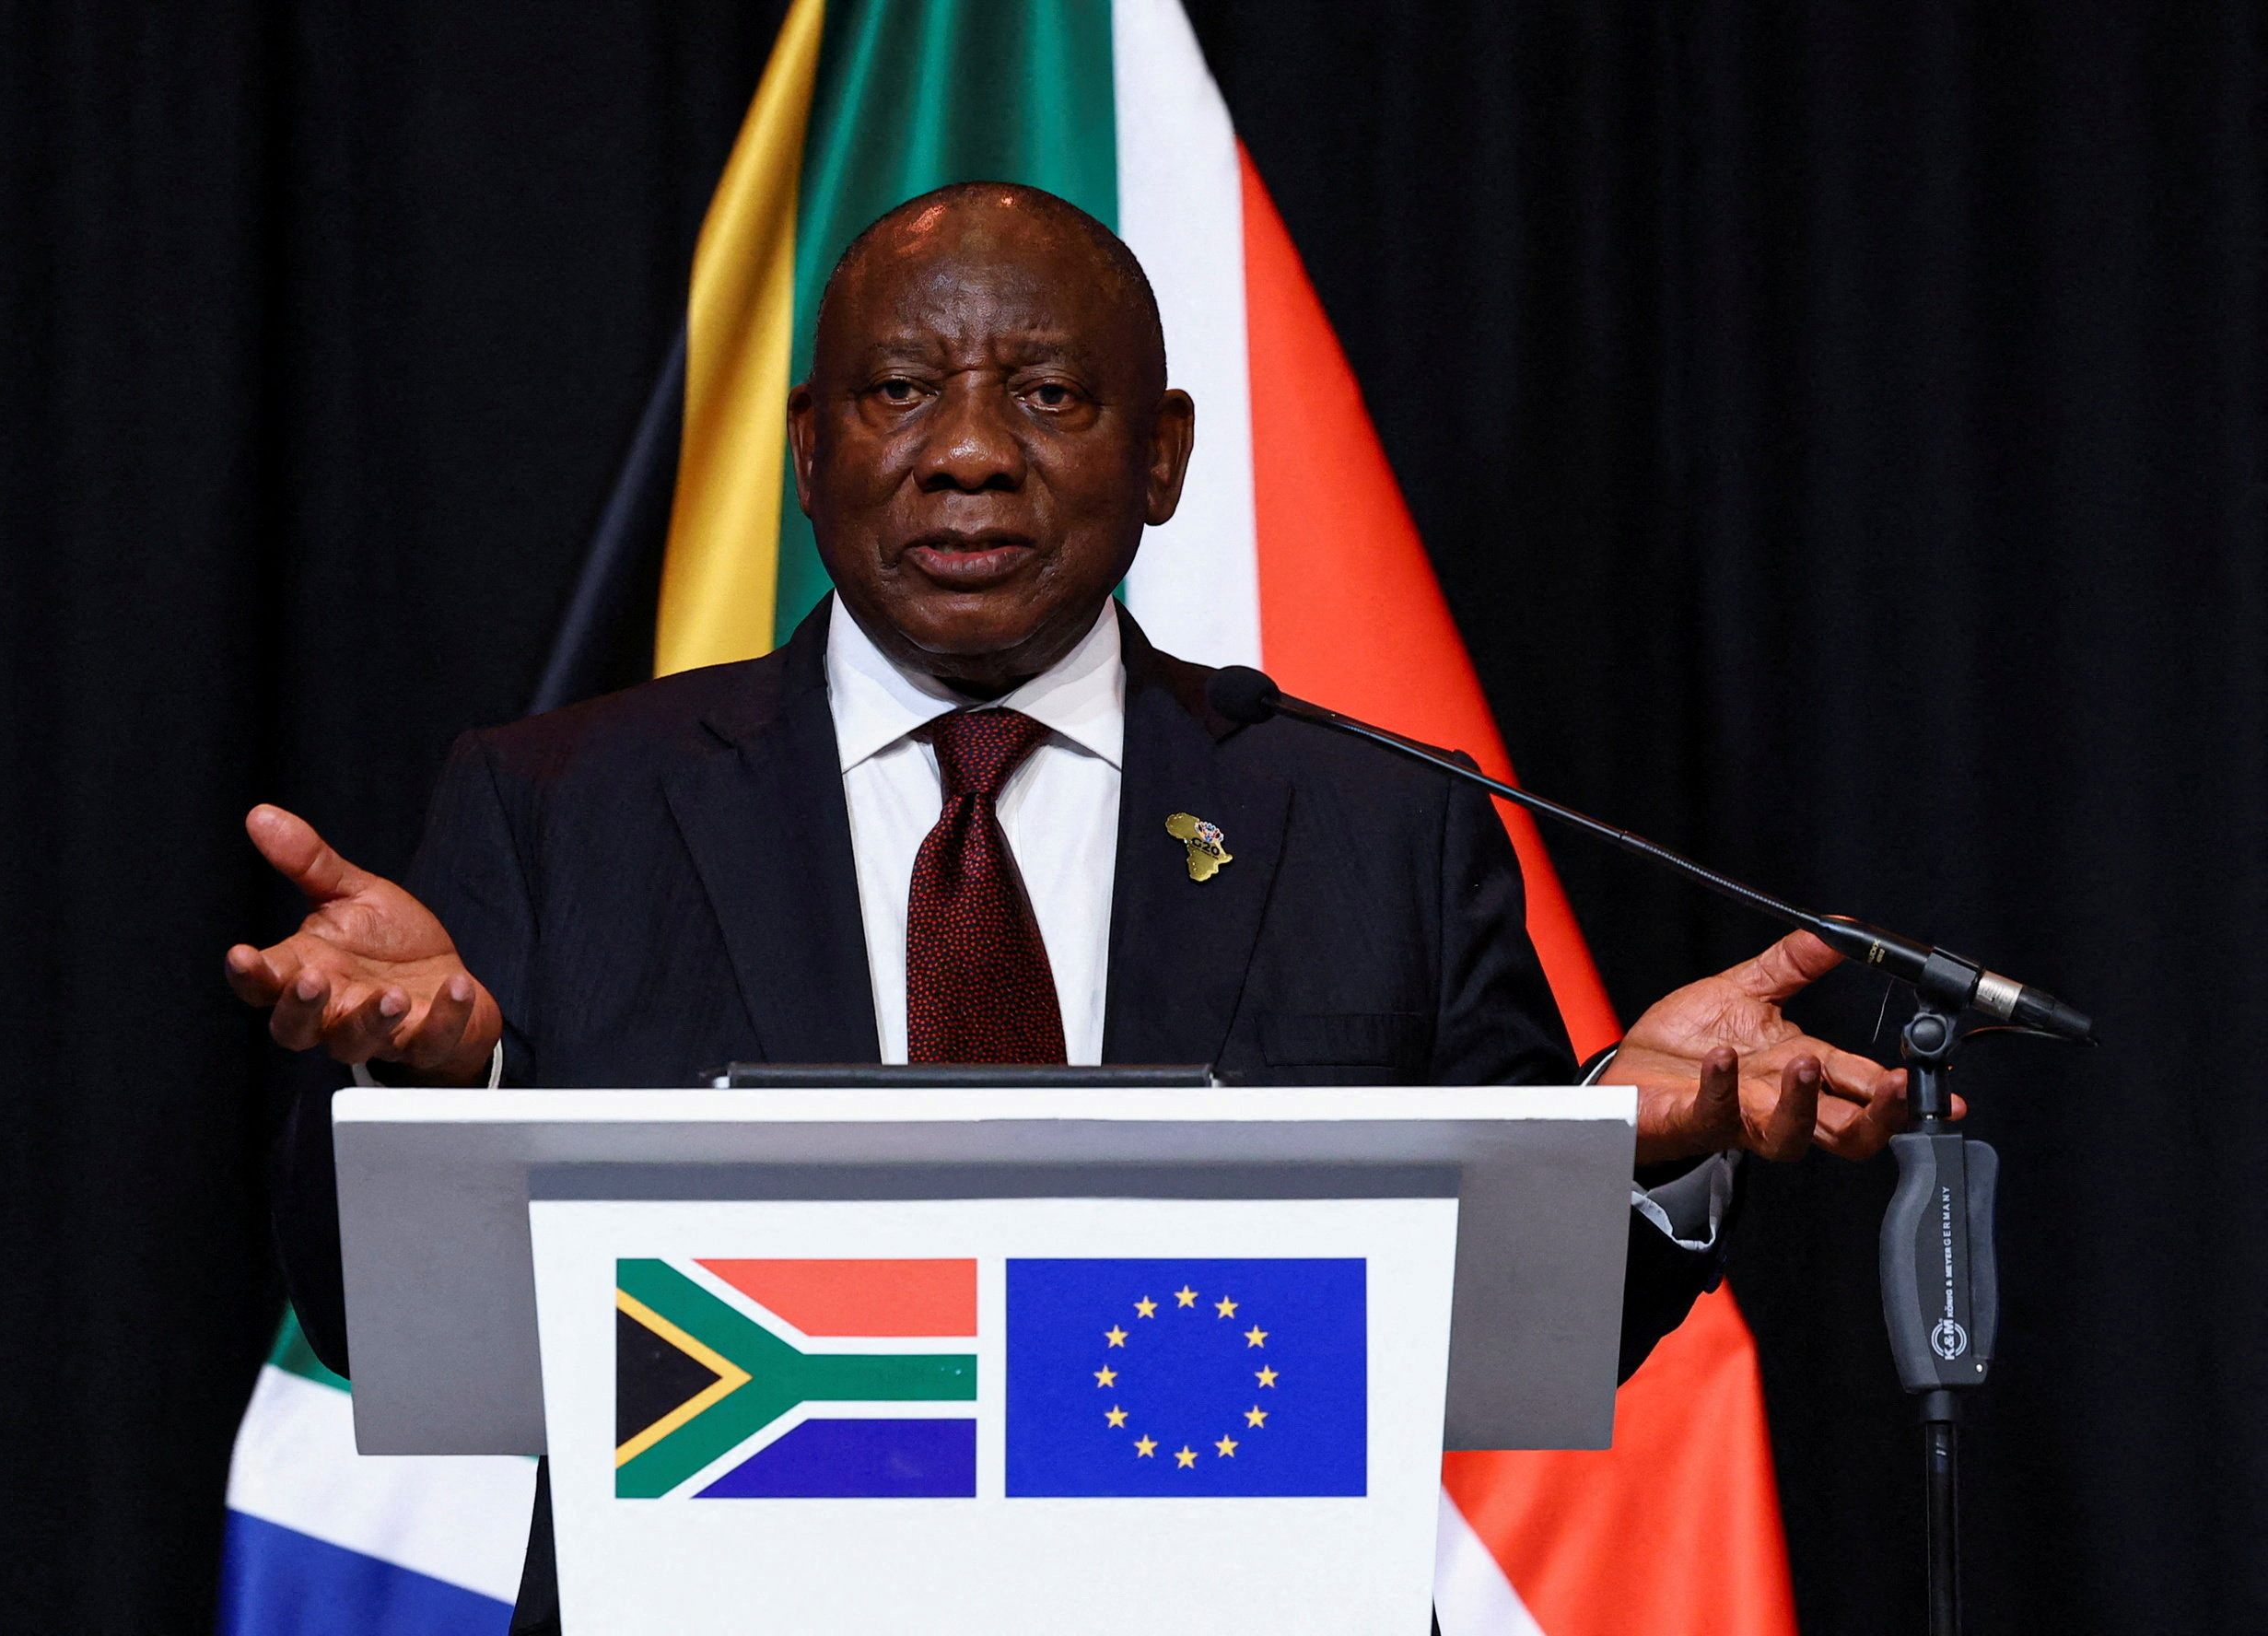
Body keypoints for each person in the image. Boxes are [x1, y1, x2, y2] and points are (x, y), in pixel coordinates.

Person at [226, 181, 1916, 1632]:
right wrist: (429, 1092)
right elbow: (371, 1320)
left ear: (1163, 455)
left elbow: (1503, 1338)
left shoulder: (1371, 821)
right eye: (899, 390)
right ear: (808, 448)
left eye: (1046, 395)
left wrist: (1646, 1146)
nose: (969, 454)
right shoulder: (560, 806)